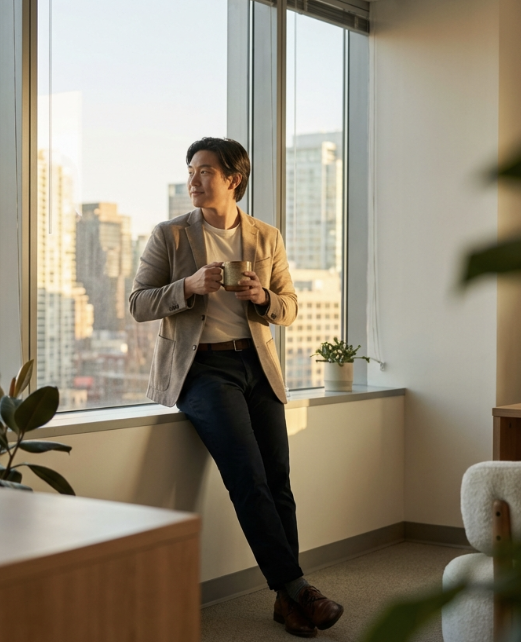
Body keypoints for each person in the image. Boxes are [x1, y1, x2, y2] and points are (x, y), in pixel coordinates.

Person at [129, 137, 343, 637]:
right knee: (247, 477)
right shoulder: (171, 236)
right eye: (190, 170)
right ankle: (300, 590)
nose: (193, 180)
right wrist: (188, 287)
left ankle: (287, 601)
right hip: (202, 371)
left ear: (234, 178)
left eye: (204, 171)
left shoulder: (266, 237)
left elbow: (289, 307)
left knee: (278, 480)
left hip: (258, 366)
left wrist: (263, 295)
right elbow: (138, 303)